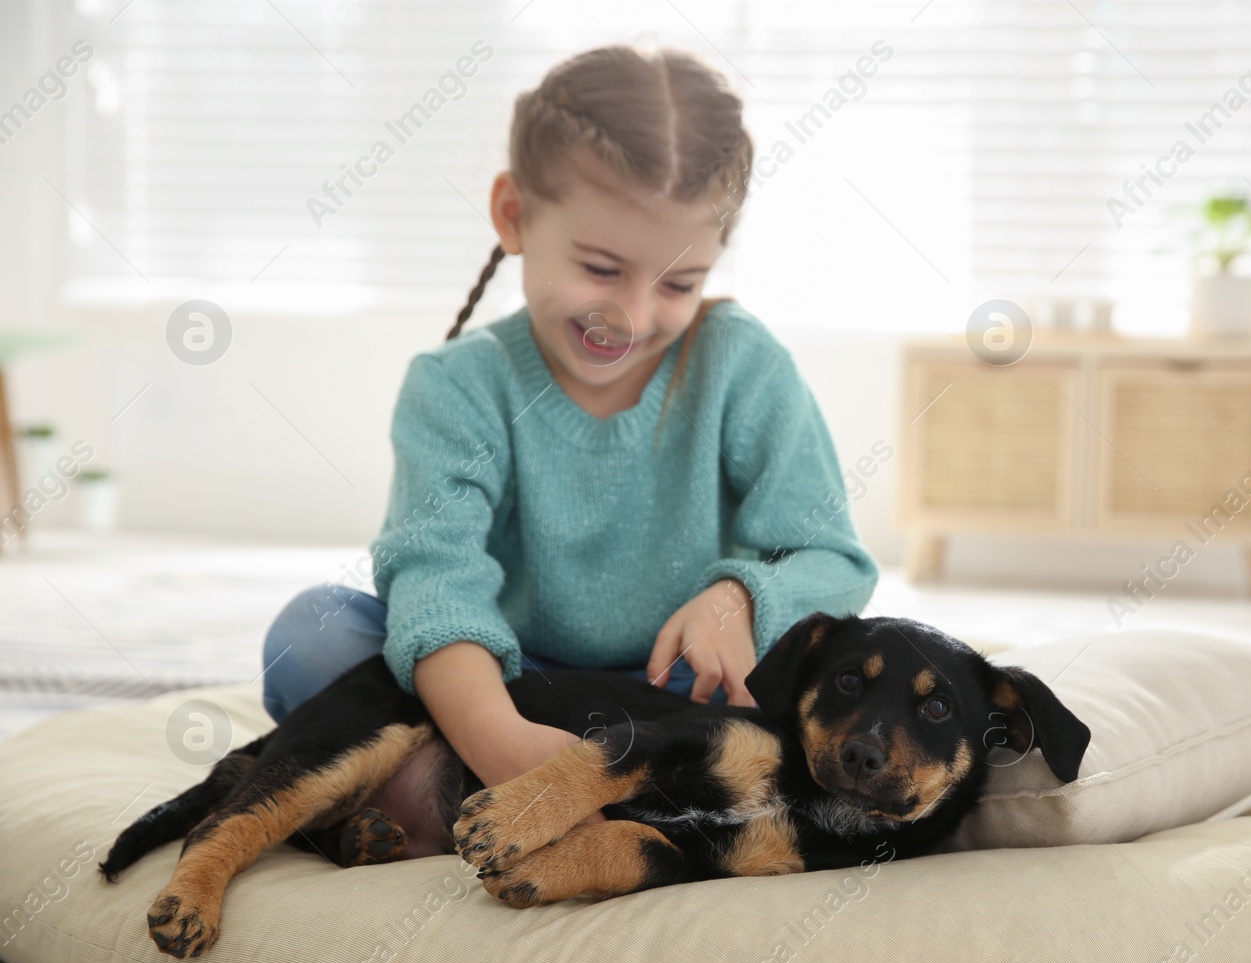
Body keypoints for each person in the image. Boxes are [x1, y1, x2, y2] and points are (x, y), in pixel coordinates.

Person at [258, 43, 878, 810]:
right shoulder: (457, 384)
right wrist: (503, 739)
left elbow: (834, 557)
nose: (635, 315)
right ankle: (494, 781)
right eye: (600, 268)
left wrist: (740, 598)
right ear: (514, 216)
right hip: (509, 683)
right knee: (313, 634)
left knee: (851, 676)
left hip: (680, 689)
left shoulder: (740, 362)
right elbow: (435, 581)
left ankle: (434, 793)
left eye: (679, 282)